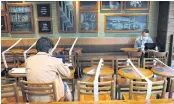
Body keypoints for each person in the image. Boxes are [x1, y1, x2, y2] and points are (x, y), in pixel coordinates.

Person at [25, 37, 72, 102]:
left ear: (37, 49)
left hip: (32, 97)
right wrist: (65, 66)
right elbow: (68, 74)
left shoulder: (28, 60)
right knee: (65, 85)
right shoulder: (55, 61)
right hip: (50, 98)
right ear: (50, 49)